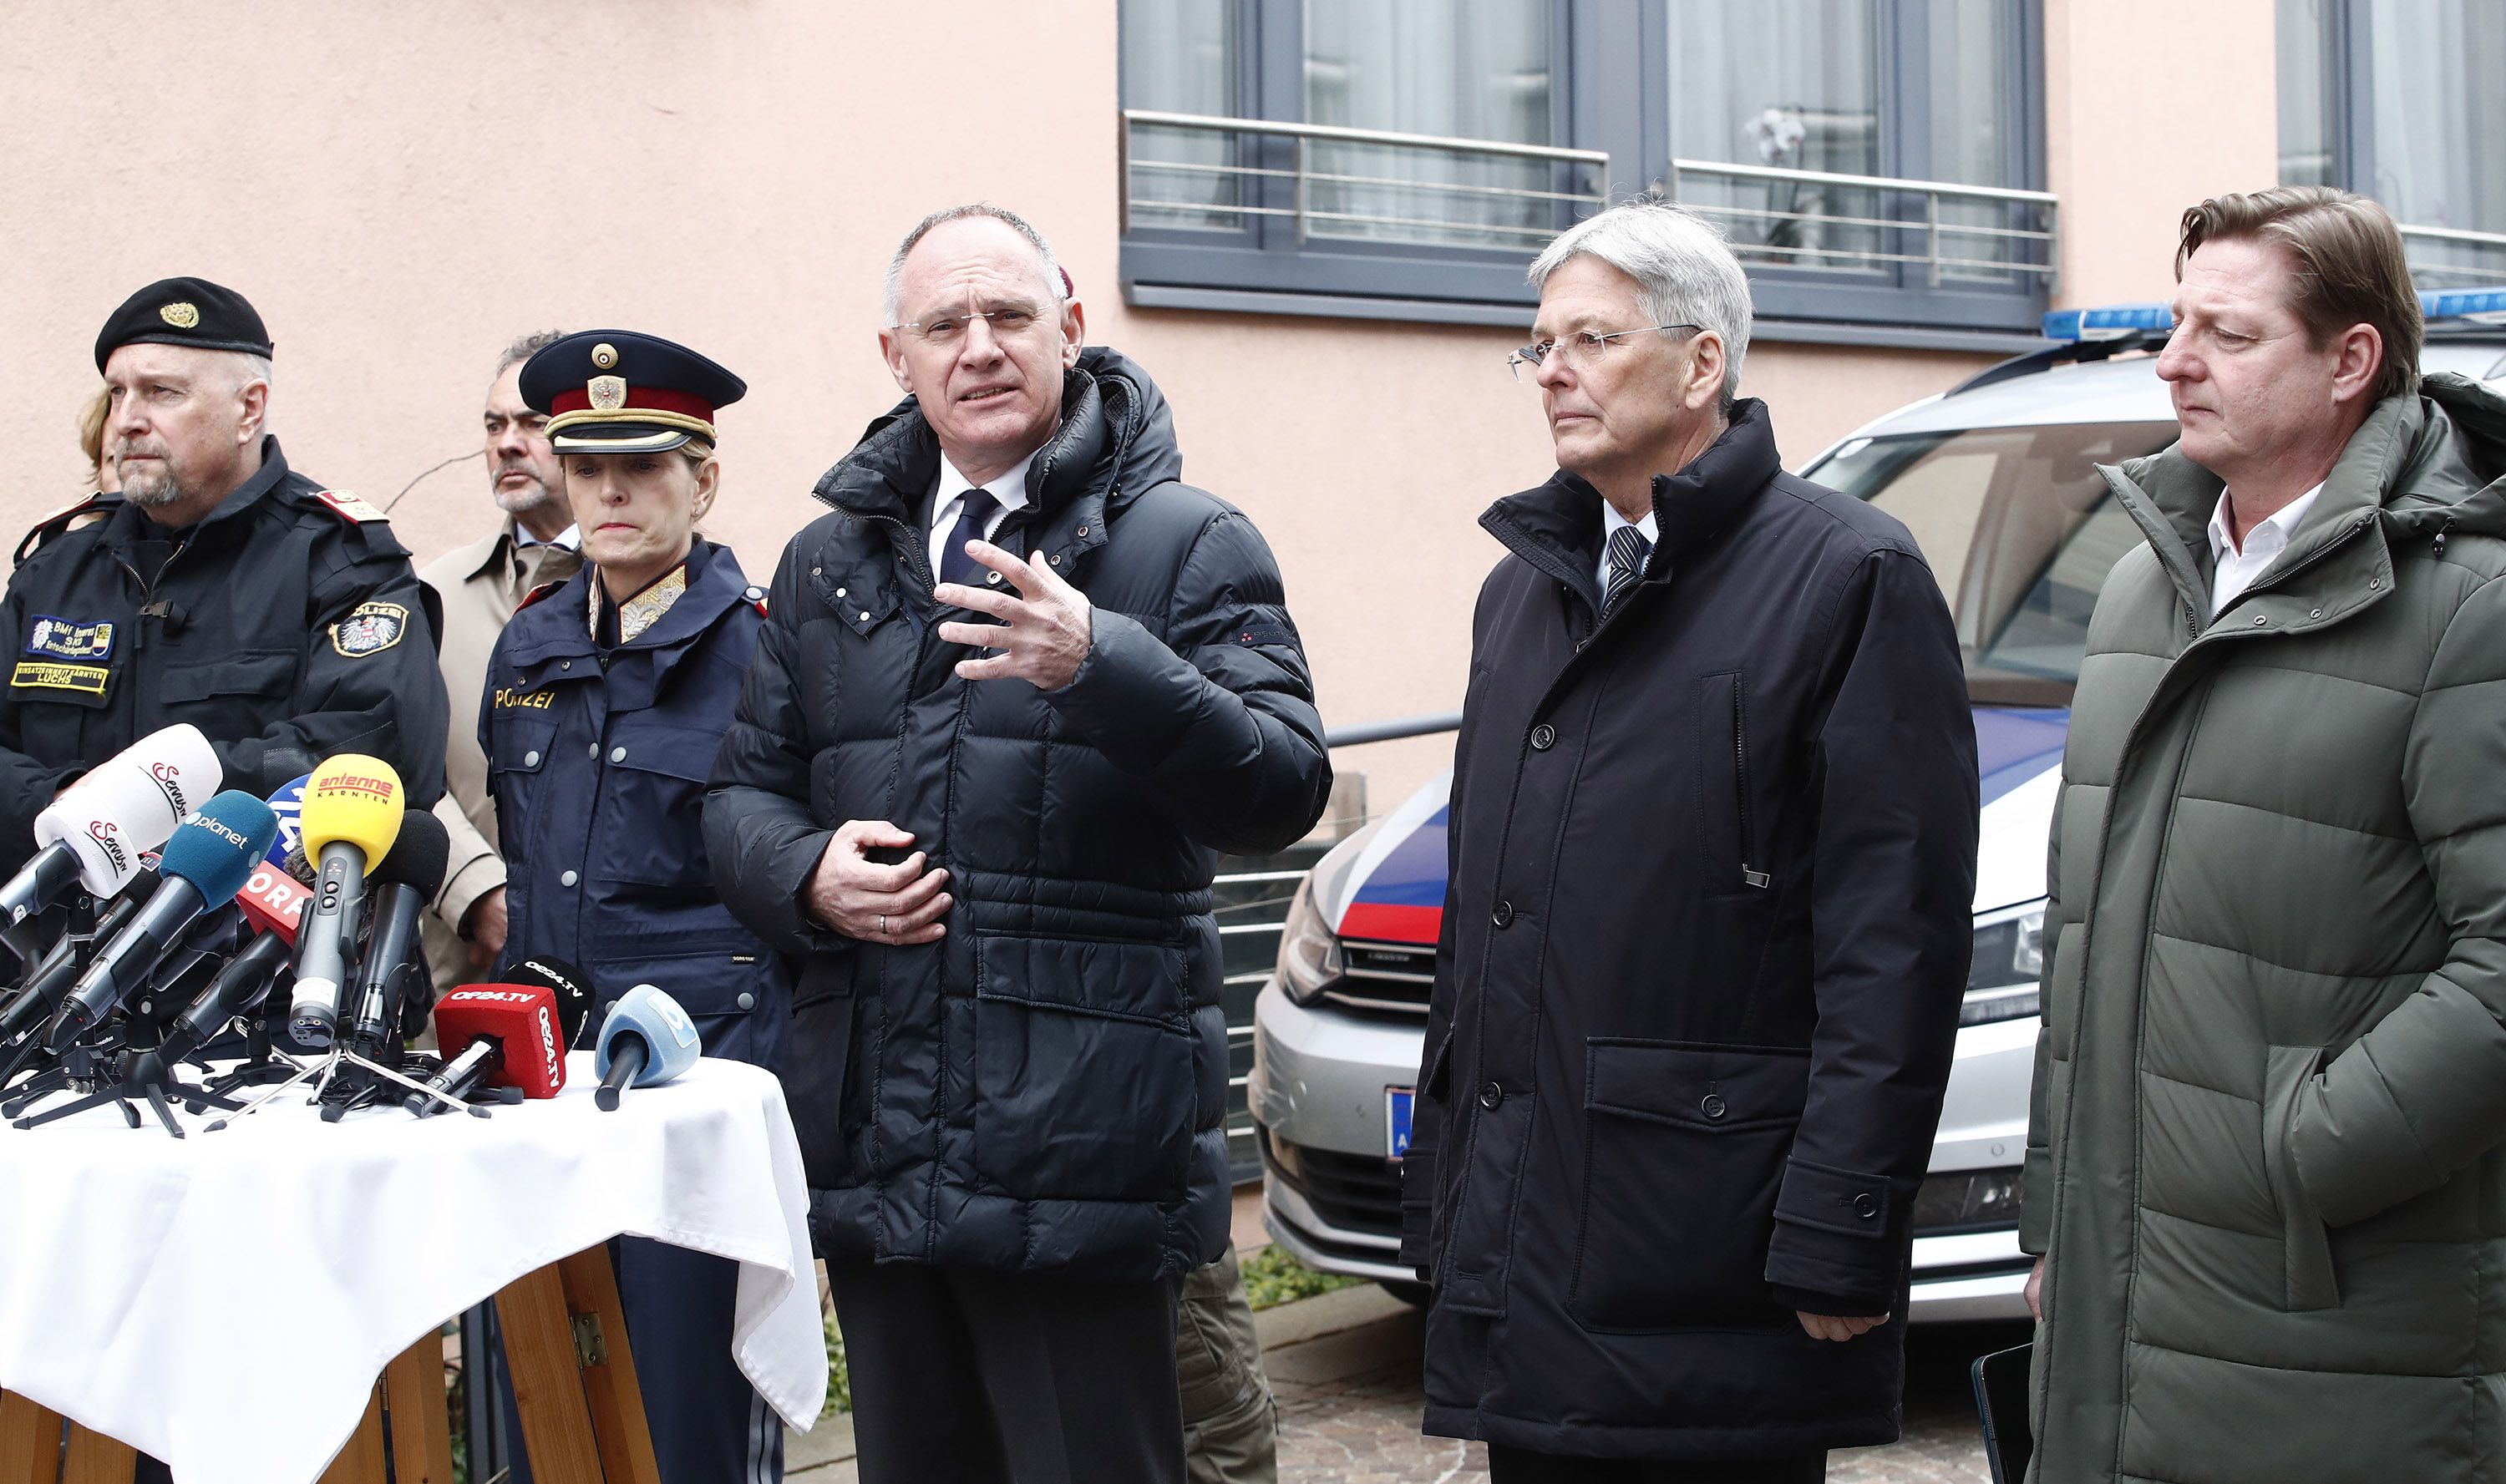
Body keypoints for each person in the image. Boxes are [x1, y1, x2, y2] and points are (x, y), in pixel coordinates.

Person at [707, 202, 1330, 1484]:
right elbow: (737, 800)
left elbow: (1282, 789)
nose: (979, 347)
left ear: (1073, 329)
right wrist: (805, 875)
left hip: (1079, 1155)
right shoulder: (828, 560)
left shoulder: (1184, 541)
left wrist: (1106, 664)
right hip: (881, 1141)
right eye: (945, 324)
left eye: (1009, 316)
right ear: (897, 354)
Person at [1397, 198, 1977, 1481]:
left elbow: (1895, 944)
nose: (1553, 372)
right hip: (1535, 1243)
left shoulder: (1848, 576)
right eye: (1539, 346)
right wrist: (1445, 1186)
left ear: (1702, 361)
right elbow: (1483, 925)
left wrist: (1845, 1221)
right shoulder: (1525, 588)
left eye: (1592, 340)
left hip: (1712, 1242)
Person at [2021, 187, 2506, 1482]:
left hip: (2336, 1299)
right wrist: (2054, 1215)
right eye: (2177, 325)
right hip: (2127, 1276)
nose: (2175, 361)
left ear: (2352, 361)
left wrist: (2299, 1150)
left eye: (2227, 336)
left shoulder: (2470, 605)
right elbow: (2088, 931)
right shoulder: (2139, 584)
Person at [479, 328, 790, 1484]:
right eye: (585, 463)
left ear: (702, 479)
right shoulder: (532, 643)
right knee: (541, 1414)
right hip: (544, 1082)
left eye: (643, 466)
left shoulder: (762, 651)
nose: (607, 491)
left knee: (682, 1426)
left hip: (698, 1091)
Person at [0, 276, 449, 870]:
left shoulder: (340, 560)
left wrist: (140, 798)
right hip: (58, 949)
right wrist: (62, 802)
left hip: (258, 948)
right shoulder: (58, 568)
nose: (127, 419)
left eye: (161, 392)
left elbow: (374, 755)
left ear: (249, 408)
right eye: (117, 393)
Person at [418, 331, 584, 997]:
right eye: (495, 425)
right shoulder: (430, 598)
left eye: (533, 424)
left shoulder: (671, 591)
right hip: (455, 983)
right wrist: (474, 890)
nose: (508, 442)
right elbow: (391, 767)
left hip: (619, 989)